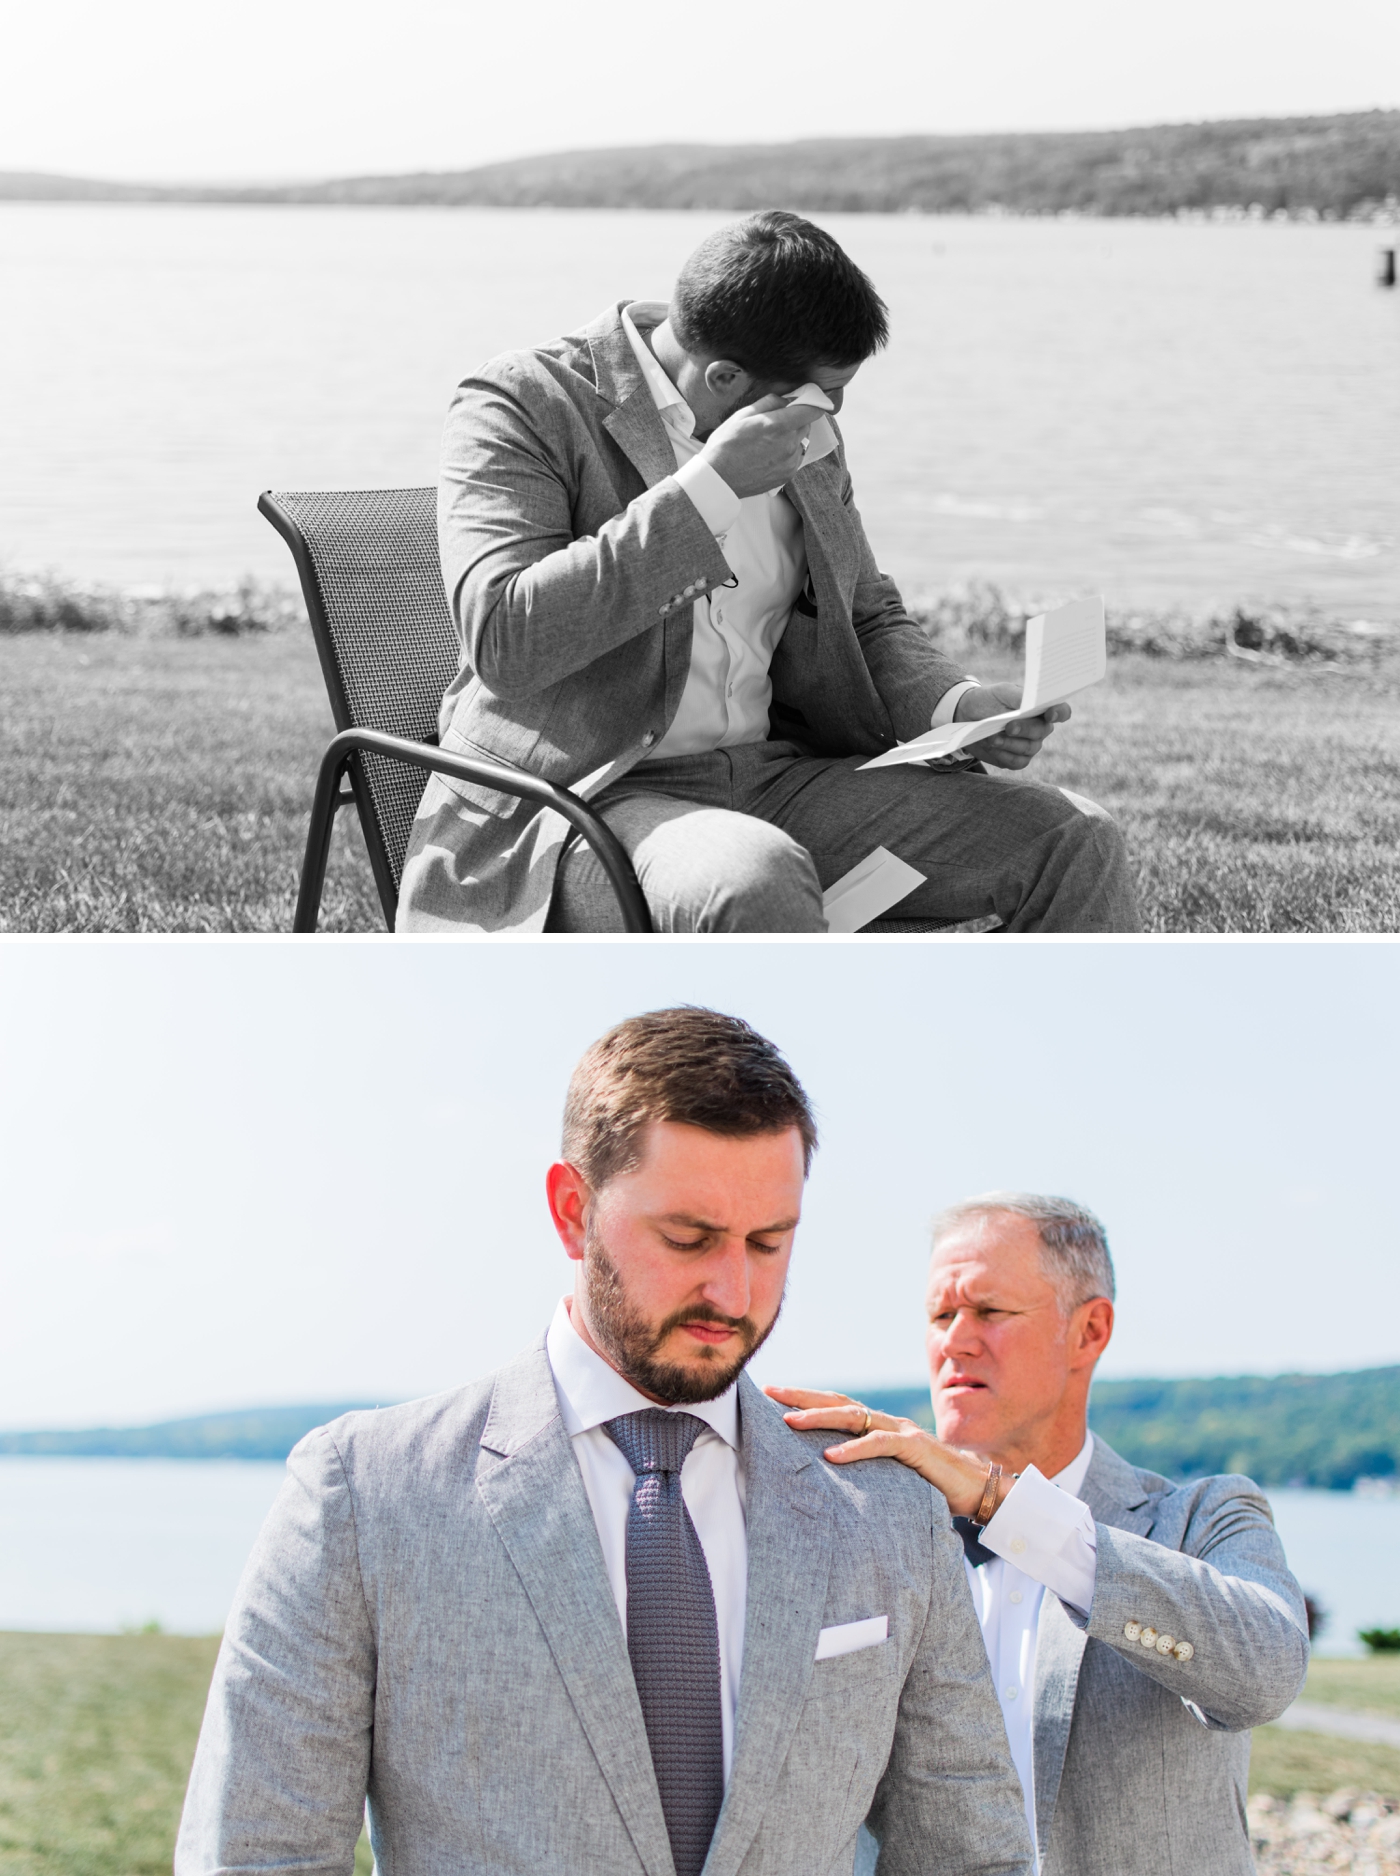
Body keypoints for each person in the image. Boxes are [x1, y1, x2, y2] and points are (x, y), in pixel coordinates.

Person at [176, 1011, 1034, 1876]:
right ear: (571, 1210)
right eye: (687, 1239)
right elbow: (257, 1856)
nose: (732, 1290)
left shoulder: (890, 1511)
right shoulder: (363, 1495)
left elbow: (972, 1859)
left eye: (769, 1243)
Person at [398, 210, 1140, 933]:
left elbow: (865, 611)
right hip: (578, 802)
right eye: (823, 395)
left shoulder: (805, 433)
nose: (835, 415)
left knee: (1074, 840)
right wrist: (708, 490)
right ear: (724, 378)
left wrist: (958, 706)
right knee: (752, 875)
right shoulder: (524, 401)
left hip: (773, 779)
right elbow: (505, 639)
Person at [770, 1192, 1309, 1876]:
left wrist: (1008, 1507)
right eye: (941, 1314)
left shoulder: (1205, 1516)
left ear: (1089, 1331)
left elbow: (1265, 1675)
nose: (954, 1341)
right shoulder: (876, 1538)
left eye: (990, 1311)